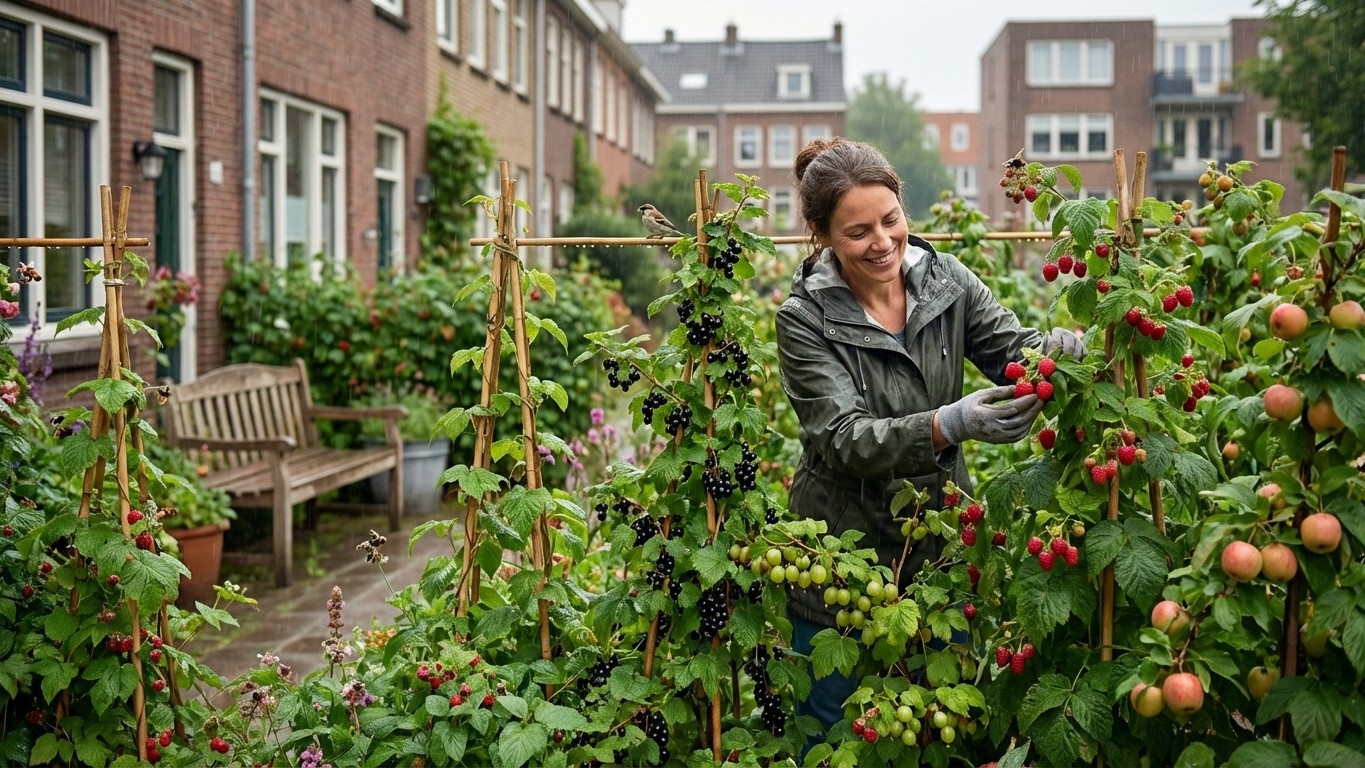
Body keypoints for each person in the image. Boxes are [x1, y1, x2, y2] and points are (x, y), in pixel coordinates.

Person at [775, 137, 1085, 733]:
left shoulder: (946, 280)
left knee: (943, 728)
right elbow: (843, 437)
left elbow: (1010, 352)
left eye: (891, 219)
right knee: (839, 727)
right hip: (841, 564)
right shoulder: (804, 319)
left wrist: (1056, 354)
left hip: (943, 554)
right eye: (857, 231)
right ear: (821, 235)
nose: (883, 241)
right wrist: (949, 424)